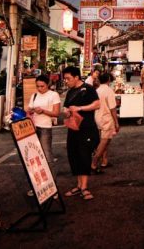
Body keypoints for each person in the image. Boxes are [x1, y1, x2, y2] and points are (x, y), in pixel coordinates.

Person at [62, 66, 100, 201]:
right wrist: (66, 112)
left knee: (84, 155)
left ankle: (84, 187)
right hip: (73, 129)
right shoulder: (70, 92)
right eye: (65, 79)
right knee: (74, 155)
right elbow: (66, 107)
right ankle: (78, 185)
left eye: (68, 78)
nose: (66, 81)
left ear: (77, 77)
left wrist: (80, 108)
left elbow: (97, 104)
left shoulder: (88, 89)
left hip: (87, 129)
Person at [27, 75, 61, 168]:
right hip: (33, 127)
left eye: (42, 86)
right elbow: (29, 109)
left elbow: (56, 113)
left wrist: (43, 111)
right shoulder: (34, 95)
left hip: (45, 127)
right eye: (37, 86)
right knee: (34, 153)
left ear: (48, 84)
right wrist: (31, 110)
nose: (39, 88)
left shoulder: (54, 95)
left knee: (47, 153)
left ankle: (51, 177)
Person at [92, 72, 119, 173]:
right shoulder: (108, 91)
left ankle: (104, 160)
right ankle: (94, 162)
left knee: (104, 140)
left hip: (97, 117)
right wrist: (116, 122)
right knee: (105, 141)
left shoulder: (97, 90)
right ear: (108, 80)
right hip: (106, 118)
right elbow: (113, 109)